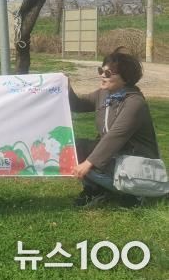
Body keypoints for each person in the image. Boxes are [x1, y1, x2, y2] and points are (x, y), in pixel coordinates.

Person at [69, 47, 162, 207]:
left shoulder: (135, 103)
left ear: (125, 78)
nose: (102, 75)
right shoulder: (103, 94)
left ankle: (135, 192)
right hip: (115, 156)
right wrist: (66, 87)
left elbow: (116, 136)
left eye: (108, 73)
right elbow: (77, 104)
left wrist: (88, 163)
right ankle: (96, 190)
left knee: (92, 161)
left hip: (135, 160)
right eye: (101, 70)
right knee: (74, 148)